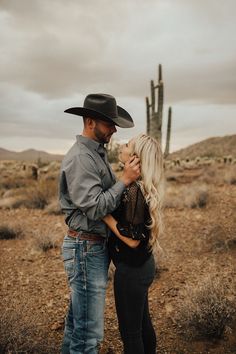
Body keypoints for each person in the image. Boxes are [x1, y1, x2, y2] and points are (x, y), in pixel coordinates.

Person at [59, 93, 140, 354]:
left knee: (77, 328)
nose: (114, 129)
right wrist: (125, 181)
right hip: (85, 248)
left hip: (91, 248)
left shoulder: (97, 153)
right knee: (88, 335)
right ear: (90, 122)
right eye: (109, 123)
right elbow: (94, 207)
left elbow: (106, 197)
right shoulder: (82, 158)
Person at [103, 133, 164, 354]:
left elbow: (133, 239)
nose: (122, 145)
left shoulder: (133, 190)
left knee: (130, 334)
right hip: (142, 267)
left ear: (136, 158)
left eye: (127, 144)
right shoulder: (137, 187)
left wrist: (104, 215)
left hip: (132, 271)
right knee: (142, 325)